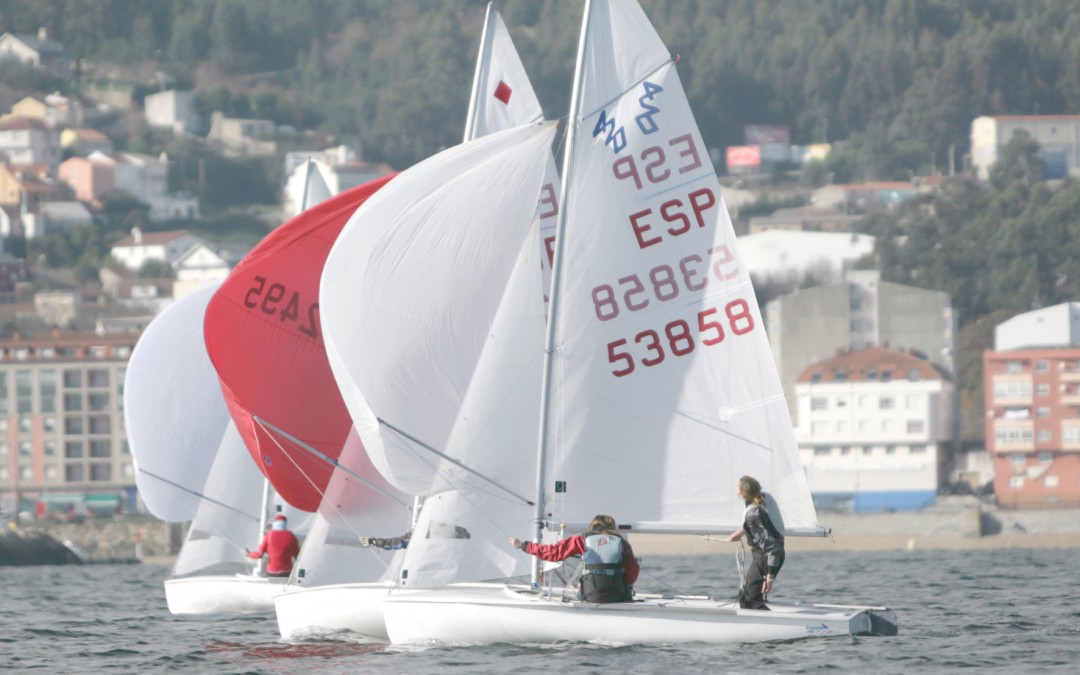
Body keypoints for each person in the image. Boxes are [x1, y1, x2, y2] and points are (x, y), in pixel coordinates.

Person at [509, 514, 639, 603]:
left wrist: (523, 545)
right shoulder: (623, 543)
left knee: (582, 586)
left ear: (592, 527)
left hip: (591, 595)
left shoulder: (582, 540)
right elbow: (632, 574)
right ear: (612, 528)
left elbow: (554, 553)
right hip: (618, 596)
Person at [727, 475, 785, 610]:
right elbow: (761, 526)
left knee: (748, 600)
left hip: (767, 558)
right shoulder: (761, 500)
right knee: (746, 595)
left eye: (738, 488)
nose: (736, 490)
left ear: (742, 493)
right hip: (768, 556)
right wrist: (741, 532)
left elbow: (772, 548)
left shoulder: (753, 514)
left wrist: (769, 579)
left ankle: (768, 621)